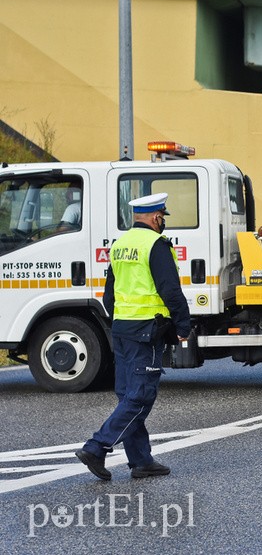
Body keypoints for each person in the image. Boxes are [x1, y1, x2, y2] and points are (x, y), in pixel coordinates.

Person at [76, 192, 190, 480]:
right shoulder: (157, 244)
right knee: (139, 397)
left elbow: (109, 294)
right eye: (162, 218)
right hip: (146, 330)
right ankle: (97, 446)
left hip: (123, 329)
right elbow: (170, 290)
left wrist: (120, 320)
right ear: (155, 217)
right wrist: (183, 326)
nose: (163, 222)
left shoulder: (120, 244)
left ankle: (141, 461)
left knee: (128, 395)